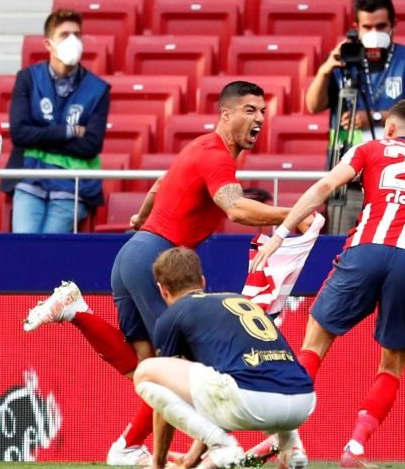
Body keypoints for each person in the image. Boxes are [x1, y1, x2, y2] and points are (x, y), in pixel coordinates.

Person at [24, 81, 313, 464]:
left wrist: (142, 217)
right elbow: (237, 210)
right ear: (225, 115)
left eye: (262, 111)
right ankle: (163, 448)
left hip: (133, 254)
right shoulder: (218, 156)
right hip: (159, 259)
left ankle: (77, 312)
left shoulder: (201, 147)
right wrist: (293, 216)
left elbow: (160, 185)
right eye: (249, 110)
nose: (259, 118)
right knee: (180, 370)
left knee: (144, 368)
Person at [250, 99, 405, 468]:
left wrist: (282, 233)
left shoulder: (370, 148)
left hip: (366, 250)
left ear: (390, 129)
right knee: (392, 365)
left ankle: (282, 437)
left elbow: (325, 185)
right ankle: (355, 449)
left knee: (316, 338)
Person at [132, 247, 315, 469]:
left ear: (162, 290)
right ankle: (291, 446)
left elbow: (167, 401)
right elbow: (214, 396)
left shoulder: (172, 317)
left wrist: (157, 464)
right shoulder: (240, 301)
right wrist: (191, 459)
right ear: (202, 280)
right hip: (303, 402)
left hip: (251, 401)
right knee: (253, 373)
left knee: (146, 372)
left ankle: (222, 446)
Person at [305, 0, 405, 234]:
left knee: (392, 248)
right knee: (341, 251)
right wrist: (325, 69)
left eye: (381, 26)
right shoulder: (343, 60)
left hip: (399, 180)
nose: (374, 33)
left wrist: (372, 117)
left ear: (393, 24)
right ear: (356, 26)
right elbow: (313, 105)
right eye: (367, 28)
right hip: (348, 179)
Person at [1, 8, 110, 233]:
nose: (72, 40)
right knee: (25, 249)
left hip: (72, 187)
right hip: (29, 180)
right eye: (64, 35)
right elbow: (20, 134)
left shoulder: (98, 89)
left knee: (49, 254)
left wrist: (40, 133)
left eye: (77, 35)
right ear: (48, 44)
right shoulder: (28, 78)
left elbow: (91, 146)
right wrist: (69, 131)